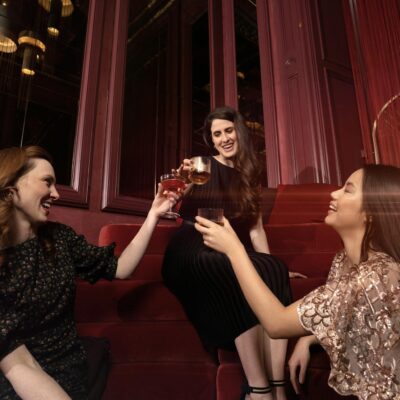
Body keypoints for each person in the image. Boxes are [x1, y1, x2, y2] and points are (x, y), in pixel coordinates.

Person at [195, 164, 400, 400]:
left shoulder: (377, 276)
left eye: (348, 190)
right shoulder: (343, 261)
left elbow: (277, 323)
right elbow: (340, 310)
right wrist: (308, 337)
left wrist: (234, 250)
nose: (334, 194)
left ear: (371, 213)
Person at [0, 145, 179, 400]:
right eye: (47, 182)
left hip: (70, 368)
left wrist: (153, 214)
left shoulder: (60, 238)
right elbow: (20, 366)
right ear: (12, 190)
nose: (56, 194)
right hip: (21, 381)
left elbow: (121, 268)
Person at [162, 106, 301, 400]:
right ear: (211, 141)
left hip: (227, 244)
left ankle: (278, 386)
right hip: (192, 243)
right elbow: (171, 199)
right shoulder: (201, 166)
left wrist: (277, 264)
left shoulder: (249, 176)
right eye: (216, 134)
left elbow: (255, 230)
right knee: (231, 268)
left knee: (273, 268)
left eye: (228, 130)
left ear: (239, 131)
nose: (224, 138)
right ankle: (258, 389)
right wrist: (181, 180)